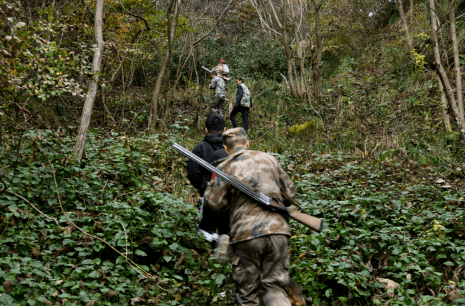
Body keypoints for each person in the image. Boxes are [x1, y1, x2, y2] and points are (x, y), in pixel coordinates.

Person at [204, 127, 301, 306]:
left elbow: (213, 203)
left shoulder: (224, 166)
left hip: (246, 236)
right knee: (274, 289)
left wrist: (232, 204)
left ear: (225, 148)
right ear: (248, 143)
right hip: (278, 232)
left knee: (248, 296)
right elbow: (291, 193)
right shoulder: (270, 159)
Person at [187, 114, 229, 246]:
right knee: (227, 232)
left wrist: (203, 187)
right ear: (225, 129)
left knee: (206, 232)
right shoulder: (231, 149)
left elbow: (193, 174)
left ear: (205, 130)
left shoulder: (200, 148)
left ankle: (210, 259)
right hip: (231, 199)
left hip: (209, 197)